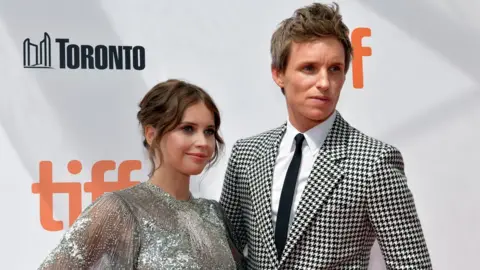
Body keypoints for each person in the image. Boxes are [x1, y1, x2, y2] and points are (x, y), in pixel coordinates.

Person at [219, 2, 432, 269]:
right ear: (278, 74)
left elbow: (411, 264)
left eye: (334, 69)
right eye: (309, 68)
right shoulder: (247, 154)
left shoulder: (374, 162)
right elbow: (226, 252)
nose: (324, 82)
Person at [39, 79, 245, 269]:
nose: (202, 142)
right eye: (188, 129)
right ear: (152, 134)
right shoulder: (120, 209)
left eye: (209, 131)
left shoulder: (214, 214)